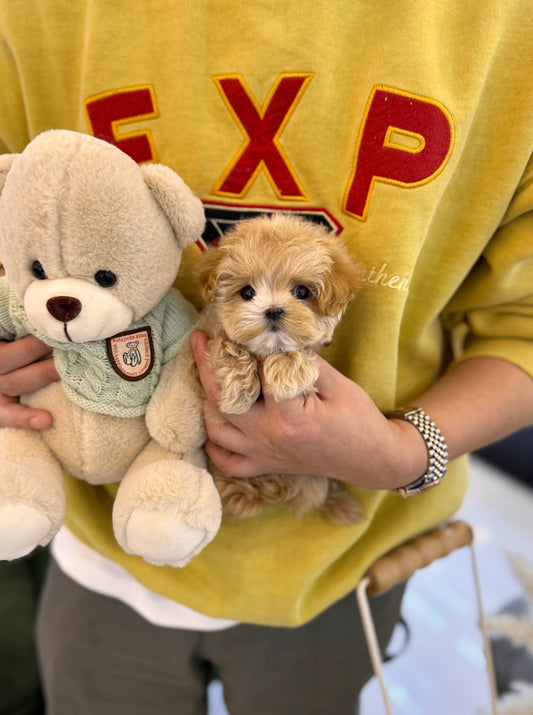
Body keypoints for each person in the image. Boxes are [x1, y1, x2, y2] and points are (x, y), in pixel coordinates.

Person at [0, 2, 532, 713]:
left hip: (340, 567)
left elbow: (520, 325)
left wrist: (405, 451)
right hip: (100, 534)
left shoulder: (506, 30)